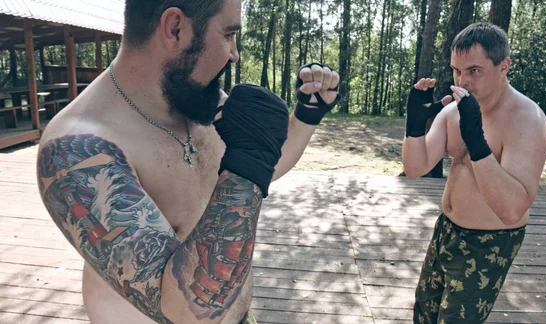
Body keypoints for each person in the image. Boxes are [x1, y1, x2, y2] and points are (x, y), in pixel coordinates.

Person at [35, 0, 341, 323]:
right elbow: (186, 311)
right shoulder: (77, 153)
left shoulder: (198, 103)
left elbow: (263, 170)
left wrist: (307, 115)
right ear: (175, 28)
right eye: (228, 34)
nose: (234, 54)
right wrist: (250, 159)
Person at [401, 22, 546, 324]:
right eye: (457, 70)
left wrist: (476, 141)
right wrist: (414, 126)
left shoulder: (527, 120)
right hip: (446, 230)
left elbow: (511, 209)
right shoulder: (454, 112)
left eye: (474, 70)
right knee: (424, 317)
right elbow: (415, 169)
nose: (462, 80)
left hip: (488, 243)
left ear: (503, 66)